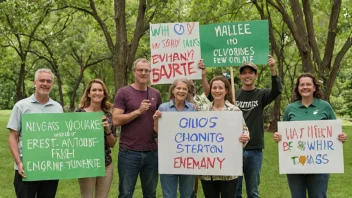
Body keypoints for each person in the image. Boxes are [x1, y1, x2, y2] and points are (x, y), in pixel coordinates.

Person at [199, 55, 282, 198]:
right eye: (244, 73)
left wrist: (273, 69)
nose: (247, 75)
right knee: (234, 190)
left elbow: (277, 90)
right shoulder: (233, 95)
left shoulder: (261, 94)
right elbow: (211, 97)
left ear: (256, 75)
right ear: (240, 75)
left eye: (251, 72)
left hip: (254, 148)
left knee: (253, 191)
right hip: (232, 149)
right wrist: (204, 75)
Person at [273, 73, 347, 198]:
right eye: (302, 84)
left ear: (314, 88)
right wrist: (278, 137)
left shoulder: (325, 106)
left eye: (308, 84)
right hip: (294, 164)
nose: (305, 87)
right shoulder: (290, 108)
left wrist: (341, 137)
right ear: (298, 88)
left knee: (318, 196)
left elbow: (335, 131)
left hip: (320, 164)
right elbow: (284, 134)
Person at [7, 68, 63, 198]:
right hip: (26, 168)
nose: (45, 83)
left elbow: (61, 136)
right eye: (41, 80)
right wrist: (19, 162)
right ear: (34, 83)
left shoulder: (57, 108)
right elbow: (13, 137)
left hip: (50, 168)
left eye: (48, 81)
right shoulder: (21, 106)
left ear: (52, 85)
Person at [113, 58, 162, 198]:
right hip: (129, 152)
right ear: (134, 72)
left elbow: (160, 121)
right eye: (140, 70)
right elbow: (115, 120)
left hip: (152, 152)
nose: (143, 73)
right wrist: (138, 112)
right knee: (126, 193)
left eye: (146, 70)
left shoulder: (156, 94)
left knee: (150, 193)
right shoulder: (123, 92)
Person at [197, 75, 250, 198]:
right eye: (214, 88)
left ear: (226, 90)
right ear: (210, 90)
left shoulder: (235, 111)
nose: (217, 90)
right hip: (207, 169)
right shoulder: (202, 111)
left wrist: (245, 137)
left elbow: (245, 131)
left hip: (228, 169)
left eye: (220, 88)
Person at [153, 78, 196, 198]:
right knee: (169, 195)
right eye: (178, 88)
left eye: (184, 89)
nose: (181, 91)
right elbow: (158, 131)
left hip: (188, 158)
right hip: (168, 158)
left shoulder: (193, 108)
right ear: (173, 90)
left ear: (188, 92)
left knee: (187, 195)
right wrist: (156, 120)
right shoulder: (163, 108)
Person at [75, 79, 117, 198]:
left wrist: (107, 130)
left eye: (100, 90)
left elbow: (113, 144)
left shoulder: (108, 115)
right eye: (94, 90)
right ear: (88, 93)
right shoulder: (79, 114)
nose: (97, 93)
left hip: (105, 164)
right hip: (86, 163)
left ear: (104, 94)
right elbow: (72, 139)